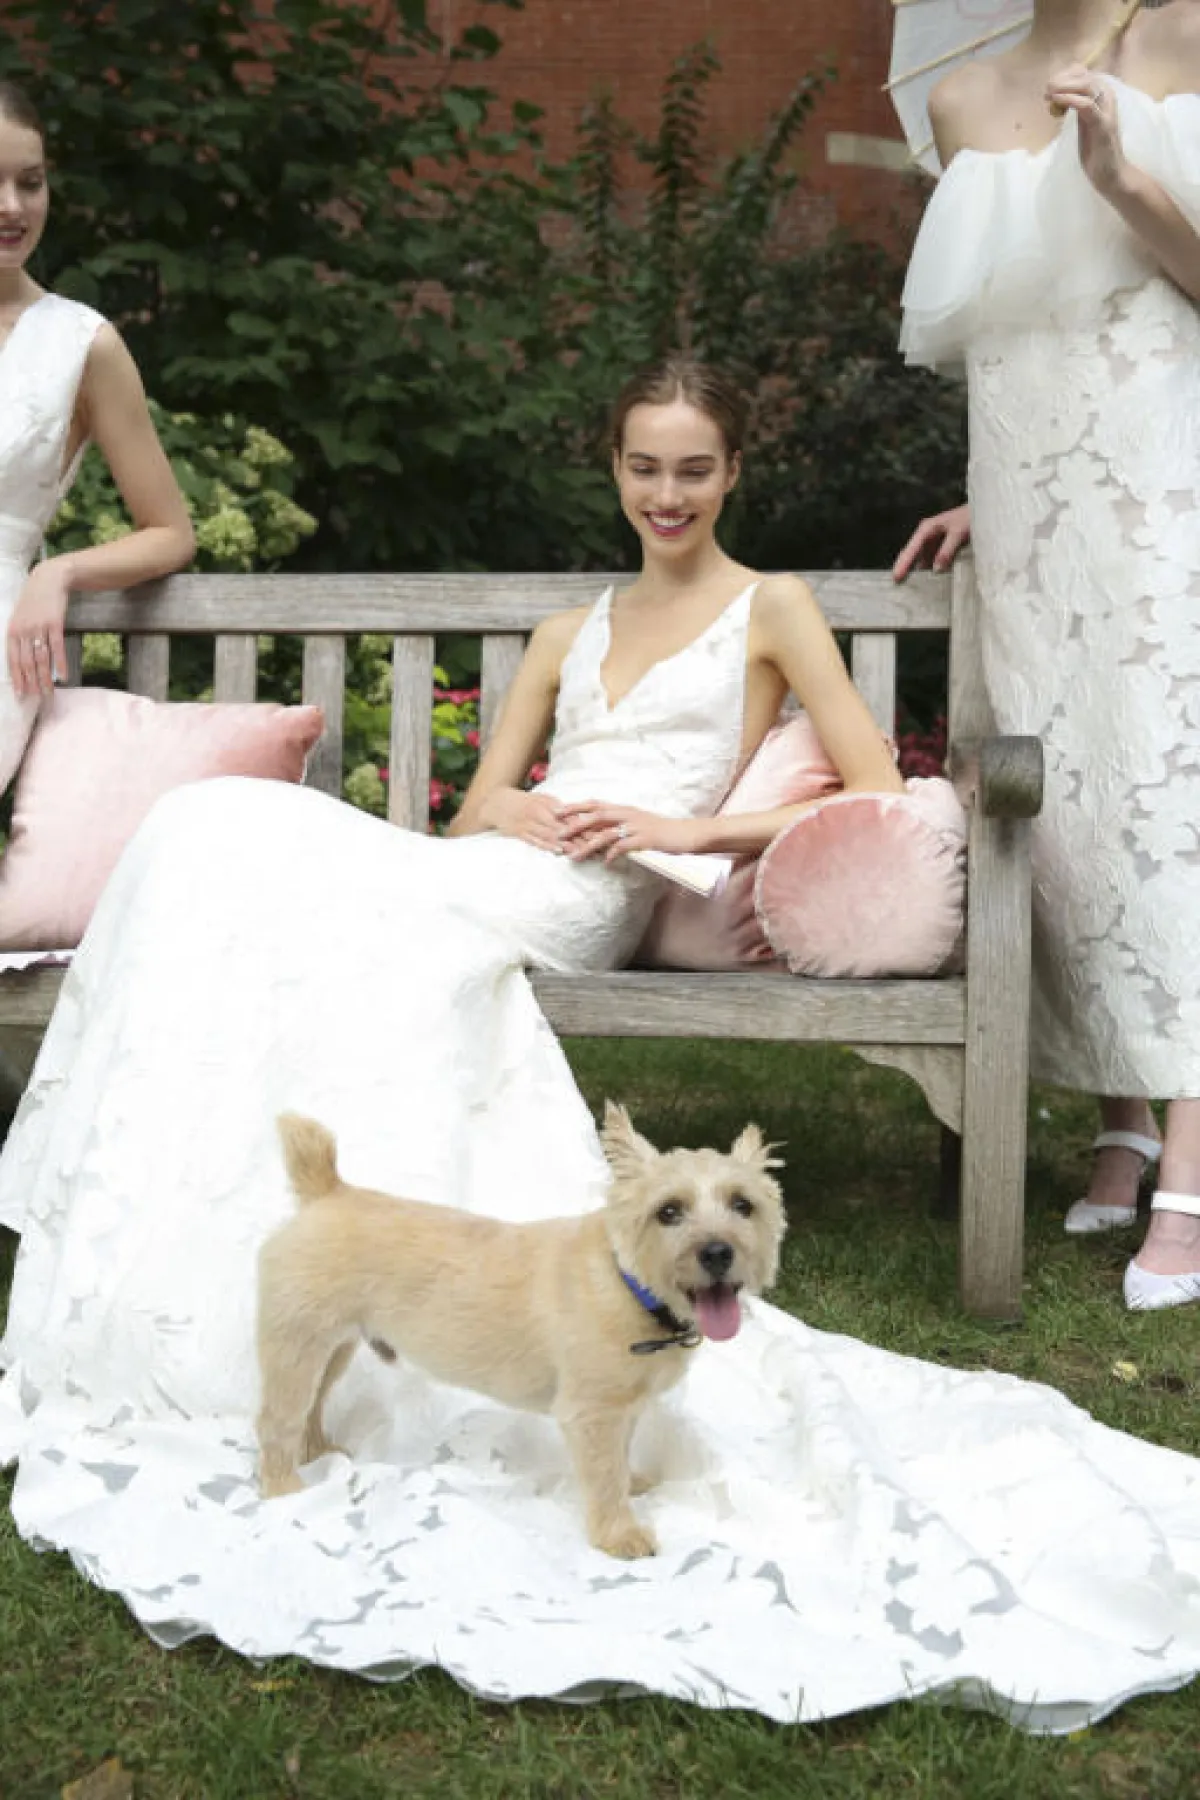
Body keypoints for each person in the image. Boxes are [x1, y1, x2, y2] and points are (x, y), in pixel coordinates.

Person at [1, 353, 1199, 1729]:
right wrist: (521, 808)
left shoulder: (774, 608)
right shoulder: (571, 629)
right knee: (210, 826)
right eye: (644, 467)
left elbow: (872, 785)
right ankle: (240, 1266)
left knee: (331, 909)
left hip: (592, 898)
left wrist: (683, 828)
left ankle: (343, 1265)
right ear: (615, 469)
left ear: (731, 471)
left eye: (693, 469)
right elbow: (476, 812)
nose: (666, 493)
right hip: (501, 866)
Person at [892, 1, 1200, 1310]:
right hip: (1026, 495)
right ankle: (1122, 1121)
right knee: (1064, 808)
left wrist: (1122, 177)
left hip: (1164, 484)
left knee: (1165, 798)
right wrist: (993, 498)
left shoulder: (1185, 41)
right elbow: (1010, 331)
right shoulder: (961, 98)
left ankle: (1192, 1164)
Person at [0, 80, 193, 788]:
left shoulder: (81, 344)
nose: (12, 207)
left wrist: (57, 572)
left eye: (30, 182)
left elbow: (170, 532)